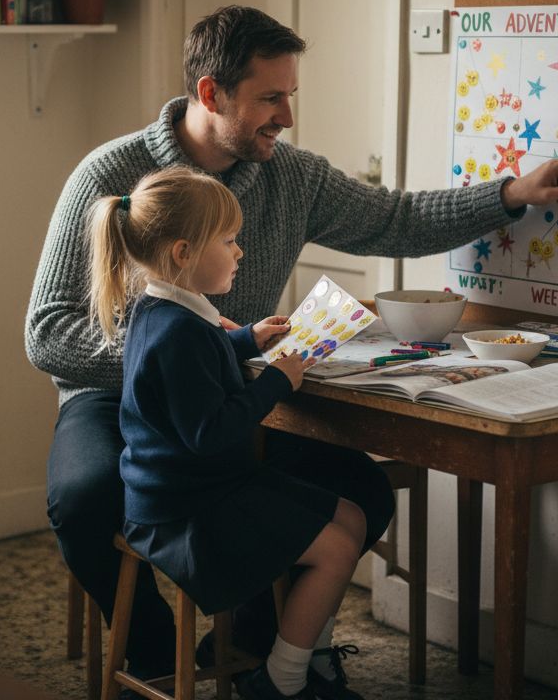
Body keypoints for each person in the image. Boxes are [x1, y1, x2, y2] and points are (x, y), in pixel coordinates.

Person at [25, 5, 558, 697]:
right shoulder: (109, 174)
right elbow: (47, 332)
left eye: (290, 95)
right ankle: (150, 655)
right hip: (114, 394)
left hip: (234, 391)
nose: (288, 117)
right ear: (211, 93)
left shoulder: (292, 177)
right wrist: (174, 364)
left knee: (359, 493)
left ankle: (251, 650)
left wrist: (510, 194)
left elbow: (398, 219)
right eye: (270, 98)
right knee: (84, 497)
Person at [88, 165, 363, 699]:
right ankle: (282, 682)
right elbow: (210, 432)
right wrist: (276, 381)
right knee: (336, 550)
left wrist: (248, 339)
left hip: (200, 488)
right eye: (229, 240)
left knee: (350, 516)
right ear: (183, 253)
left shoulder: (164, 309)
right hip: (185, 510)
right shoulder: (176, 332)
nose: (240, 252)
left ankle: (311, 660)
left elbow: (201, 361)